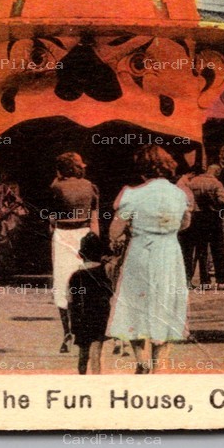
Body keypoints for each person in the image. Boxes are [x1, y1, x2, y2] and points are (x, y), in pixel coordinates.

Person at [106, 145, 191, 374]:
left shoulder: (132, 194)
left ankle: (142, 361)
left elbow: (114, 231)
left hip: (141, 252)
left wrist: (132, 228)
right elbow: (185, 223)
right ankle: (160, 365)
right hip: (170, 253)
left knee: (135, 305)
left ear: (142, 169)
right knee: (167, 304)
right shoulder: (179, 194)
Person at [47, 152, 99, 353]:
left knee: (62, 283)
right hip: (85, 233)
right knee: (87, 281)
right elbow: (95, 219)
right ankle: (87, 330)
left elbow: (51, 219)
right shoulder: (90, 186)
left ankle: (67, 333)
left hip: (63, 235)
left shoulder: (56, 187)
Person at [66, 231, 116, 375]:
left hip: (81, 319)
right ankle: (96, 381)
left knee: (83, 354)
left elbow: (70, 300)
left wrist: (71, 322)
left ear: (80, 255)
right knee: (96, 355)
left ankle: (82, 377)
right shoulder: (103, 273)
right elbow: (110, 294)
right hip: (99, 318)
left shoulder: (75, 276)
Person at [182, 163, 224, 289]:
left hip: (197, 218)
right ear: (217, 172)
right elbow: (222, 200)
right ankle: (221, 281)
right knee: (218, 249)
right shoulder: (216, 183)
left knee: (201, 250)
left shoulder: (193, 182)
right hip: (213, 217)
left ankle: (205, 281)